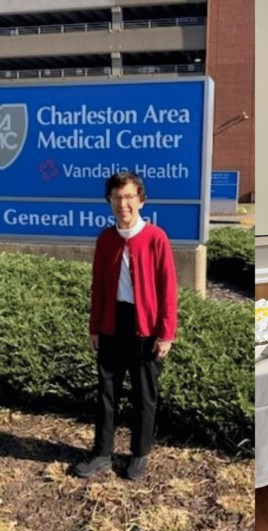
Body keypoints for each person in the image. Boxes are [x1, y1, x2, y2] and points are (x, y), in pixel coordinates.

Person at [75, 172, 177, 481]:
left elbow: (168, 288)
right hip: (111, 324)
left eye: (130, 197)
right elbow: (98, 285)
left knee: (144, 395)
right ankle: (102, 453)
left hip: (145, 328)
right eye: (118, 198)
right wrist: (94, 327)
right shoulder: (106, 239)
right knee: (107, 392)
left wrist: (166, 333)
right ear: (110, 201)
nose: (124, 204)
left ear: (141, 200)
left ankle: (139, 454)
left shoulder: (156, 238)